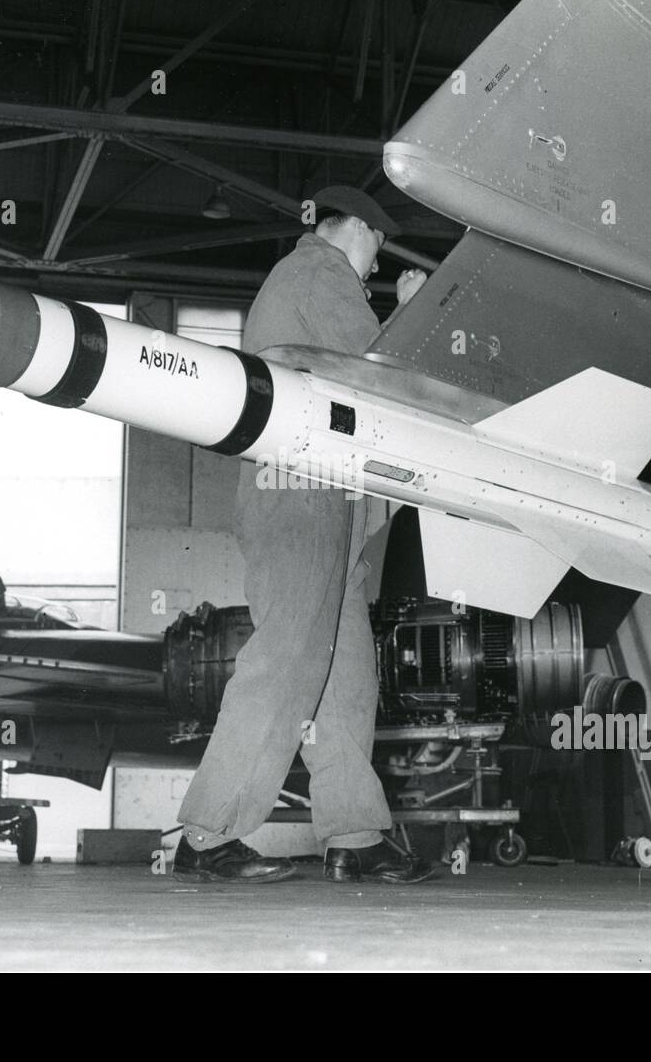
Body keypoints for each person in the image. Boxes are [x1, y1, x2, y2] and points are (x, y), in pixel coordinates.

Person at [173, 185, 433, 885]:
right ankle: (207, 833)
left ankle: (354, 832)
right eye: (380, 245)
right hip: (302, 490)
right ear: (357, 229)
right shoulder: (319, 270)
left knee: (346, 675)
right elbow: (378, 375)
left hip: (332, 498)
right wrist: (412, 313)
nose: (378, 265)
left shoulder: (314, 279)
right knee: (288, 657)